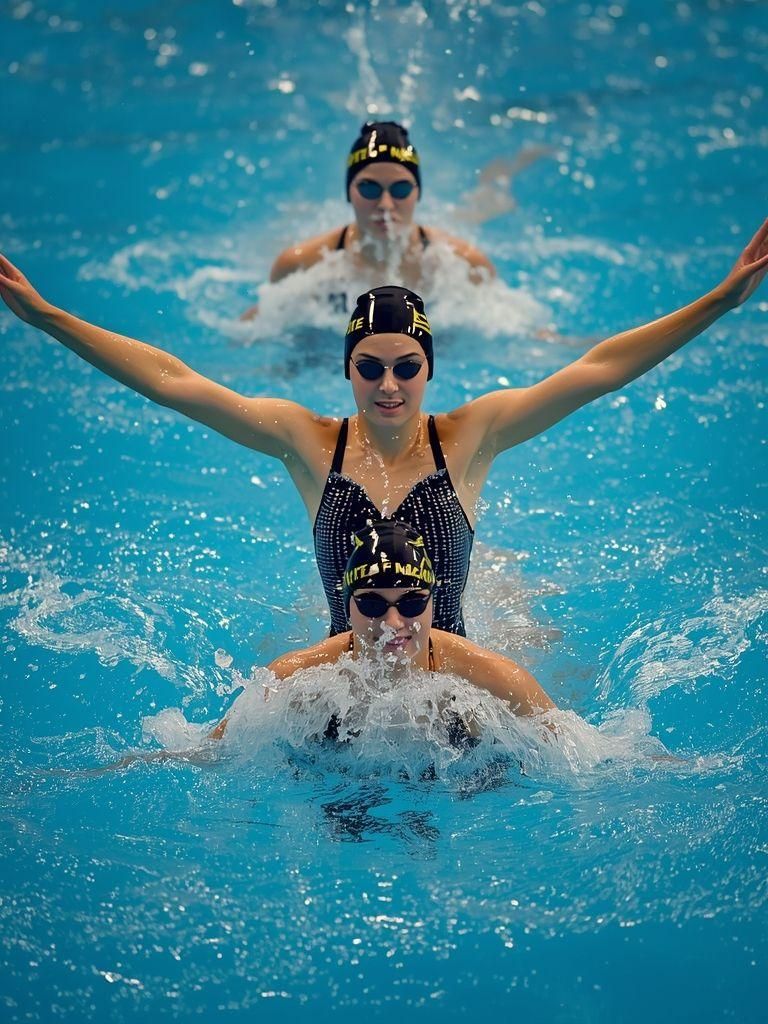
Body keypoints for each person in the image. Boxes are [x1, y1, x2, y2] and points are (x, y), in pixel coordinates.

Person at [1, 218, 766, 635]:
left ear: (430, 365)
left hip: (454, 681)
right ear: (347, 369)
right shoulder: (308, 442)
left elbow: (597, 370)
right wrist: (46, 317)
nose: (390, 385)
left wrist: (721, 301)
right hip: (346, 675)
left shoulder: (472, 434)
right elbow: (176, 382)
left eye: (407, 365)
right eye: (370, 367)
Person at [247, 121, 496, 320]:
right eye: (369, 189)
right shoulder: (301, 264)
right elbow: (260, 324)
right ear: (348, 192)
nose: (385, 205)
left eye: (400, 190)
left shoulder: (465, 264)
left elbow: (506, 318)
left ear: (418, 193)